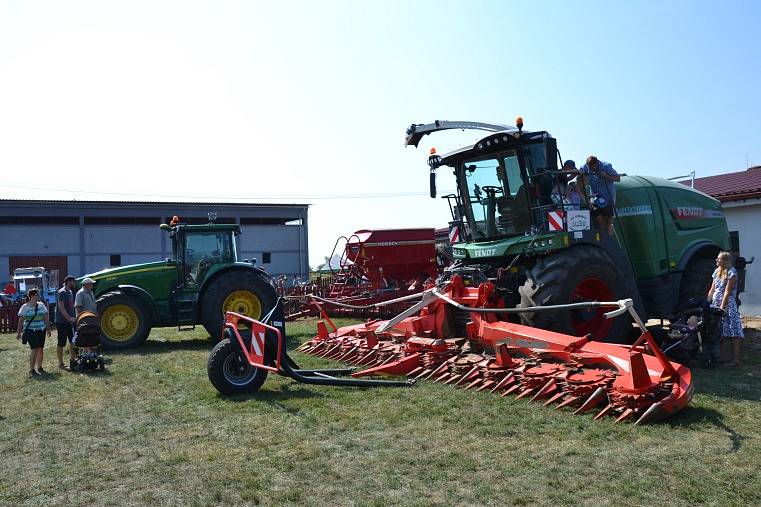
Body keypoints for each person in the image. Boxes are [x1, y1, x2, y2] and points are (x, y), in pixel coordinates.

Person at [707, 251, 744, 367]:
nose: (716, 261)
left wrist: (722, 308)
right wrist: (706, 303)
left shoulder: (731, 272)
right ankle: (721, 357)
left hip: (728, 304)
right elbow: (712, 290)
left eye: (719, 259)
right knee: (721, 331)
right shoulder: (716, 272)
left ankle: (735, 359)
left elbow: (727, 292)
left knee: (734, 330)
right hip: (715, 303)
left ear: (725, 261)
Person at [578, 155, 620, 234]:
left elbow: (618, 178)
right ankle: (602, 242)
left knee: (609, 223)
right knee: (600, 223)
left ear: (597, 164)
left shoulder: (606, 166)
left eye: (593, 168)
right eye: (590, 168)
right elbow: (578, 181)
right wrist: (586, 198)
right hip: (595, 199)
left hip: (608, 199)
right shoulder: (585, 168)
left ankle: (609, 242)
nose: (591, 170)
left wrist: (606, 176)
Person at [16, 288, 52, 377]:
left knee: (40, 349)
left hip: (41, 329)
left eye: (38, 295)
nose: (38, 296)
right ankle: (32, 370)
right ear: (31, 296)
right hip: (30, 330)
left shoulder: (41, 305)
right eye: (36, 295)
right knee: (34, 348)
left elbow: (45, 317)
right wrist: (19, 332)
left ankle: (39, 367)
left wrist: (48, 328)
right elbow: (20, 321)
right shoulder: (25, 307)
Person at [55, 276, 77, 369]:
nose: (74, 283)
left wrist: (73, 317)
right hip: (62, 322)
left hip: (71, 321)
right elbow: (61, 307)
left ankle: (73, 360)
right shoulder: (62, 292)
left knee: (73, 341)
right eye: (73, 281)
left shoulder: (70, 292)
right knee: (61, 343)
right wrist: (68, 318)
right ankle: (61, 363)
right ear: (68, 282)